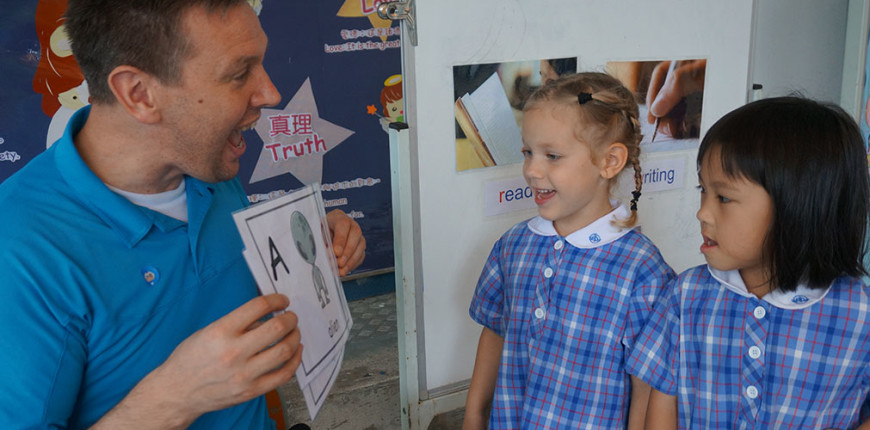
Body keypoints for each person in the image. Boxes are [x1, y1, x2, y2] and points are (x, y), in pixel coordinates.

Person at [0, 1, 365, 429]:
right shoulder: (21, 252)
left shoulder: (206, 165)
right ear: (139, 93)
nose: (270, 94)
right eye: (239, 73)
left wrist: (308, 250)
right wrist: (174, 398)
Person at [627, 97, 870, 429]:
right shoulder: (687, 295)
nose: (702, 213)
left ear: (797, 206)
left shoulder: (859, 313)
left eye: (724, 197)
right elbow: (663, 400)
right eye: (703, 190)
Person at [462, 72, 675, 429]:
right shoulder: (513, 246)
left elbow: (646, 385)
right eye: (528, 152)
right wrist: (473, 415)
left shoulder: (642, 269)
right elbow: (495, 331)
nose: (532, 170)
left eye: (552, 156)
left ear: (609, 161)